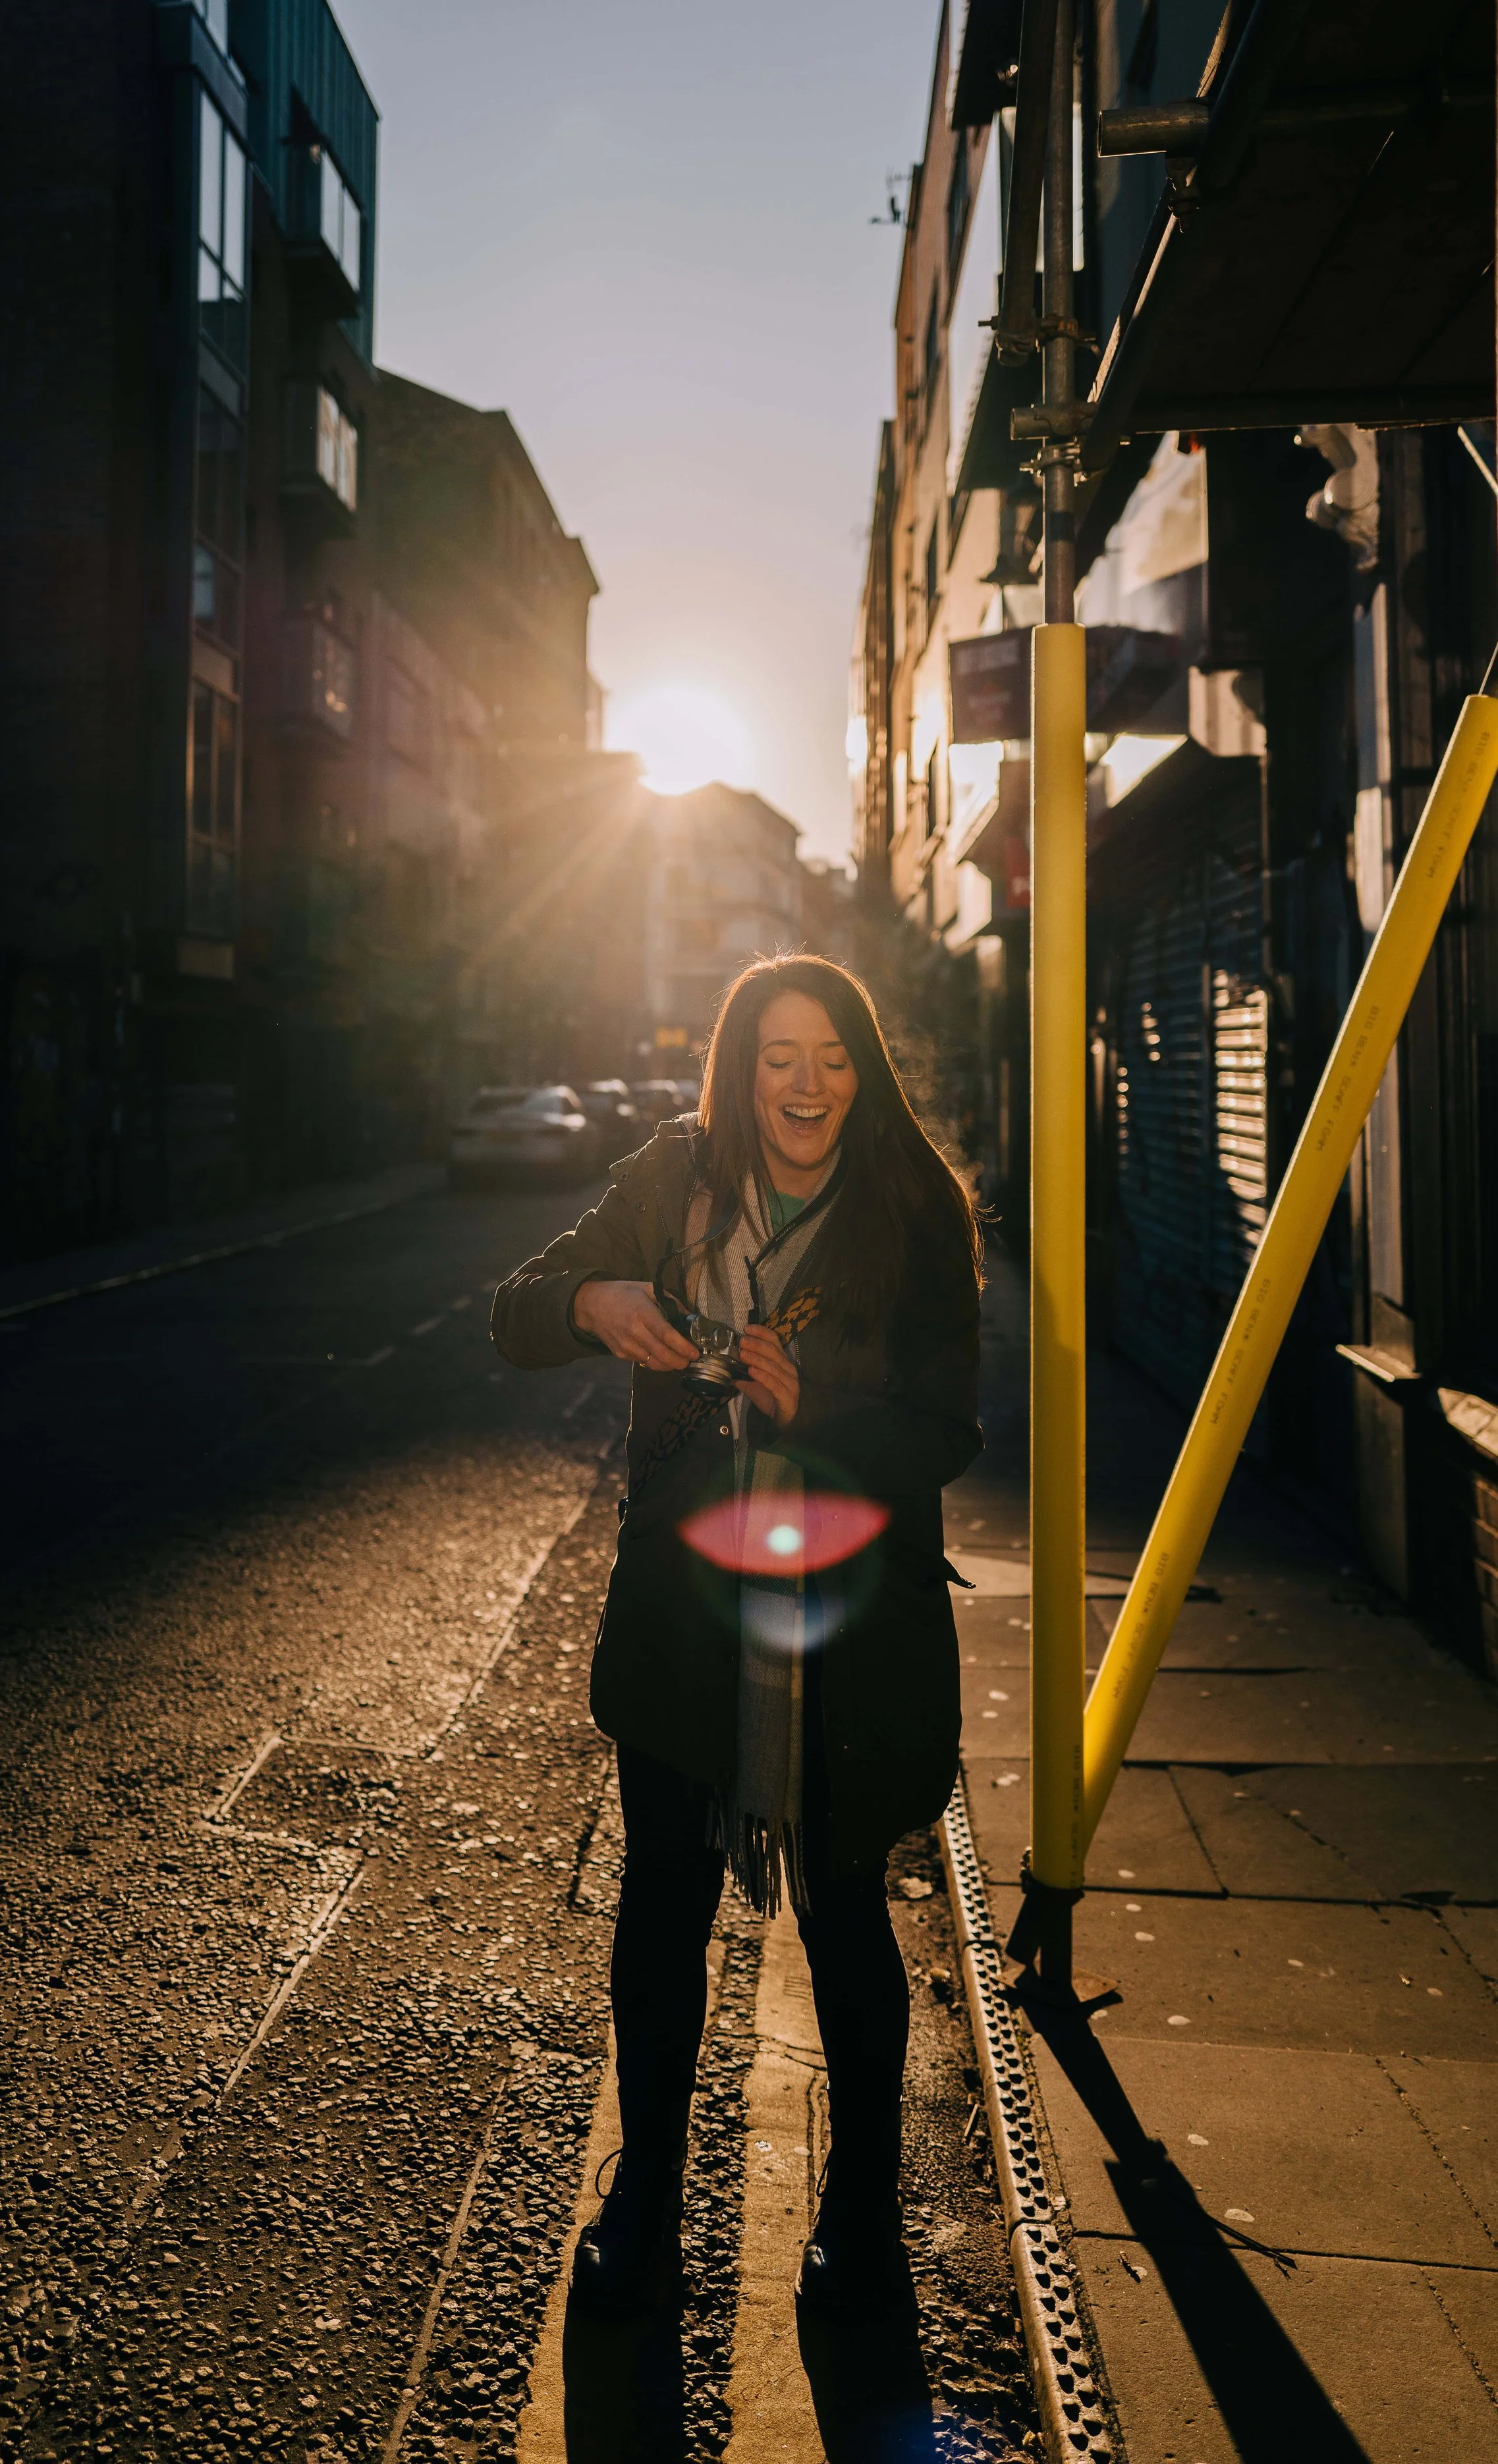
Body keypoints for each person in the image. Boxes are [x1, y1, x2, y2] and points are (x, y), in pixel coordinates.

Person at [489, 954, 982, 2316]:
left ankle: (864, 2209)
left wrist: (812, 1404)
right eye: (777, 1057)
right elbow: (516, 1310)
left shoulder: (915, 1205)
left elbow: (947, 1426)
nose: (805, 1085)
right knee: (659, 1910)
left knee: (843, 1919)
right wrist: (593, 1302)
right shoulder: (671, 1178)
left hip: (851, 1633)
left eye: (830, 1057)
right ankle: (647, 2188)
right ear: (736, 1067)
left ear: (863, 1070)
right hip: (685, 1617)